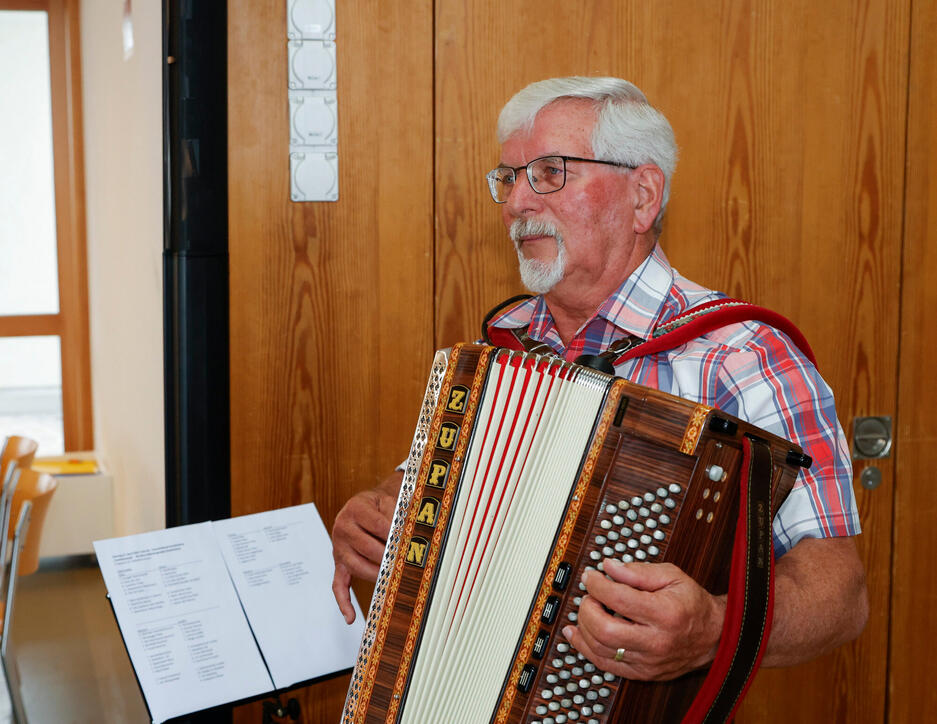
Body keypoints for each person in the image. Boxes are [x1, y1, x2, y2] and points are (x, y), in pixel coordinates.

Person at [331, 76, 867, 682]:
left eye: (551, 172)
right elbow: (425, 492)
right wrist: (379, 514)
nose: (516, 204)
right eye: (509, 178)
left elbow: (841, 593)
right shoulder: (496, 352)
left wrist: (714, 629)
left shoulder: (742, 357)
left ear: (643, 195)